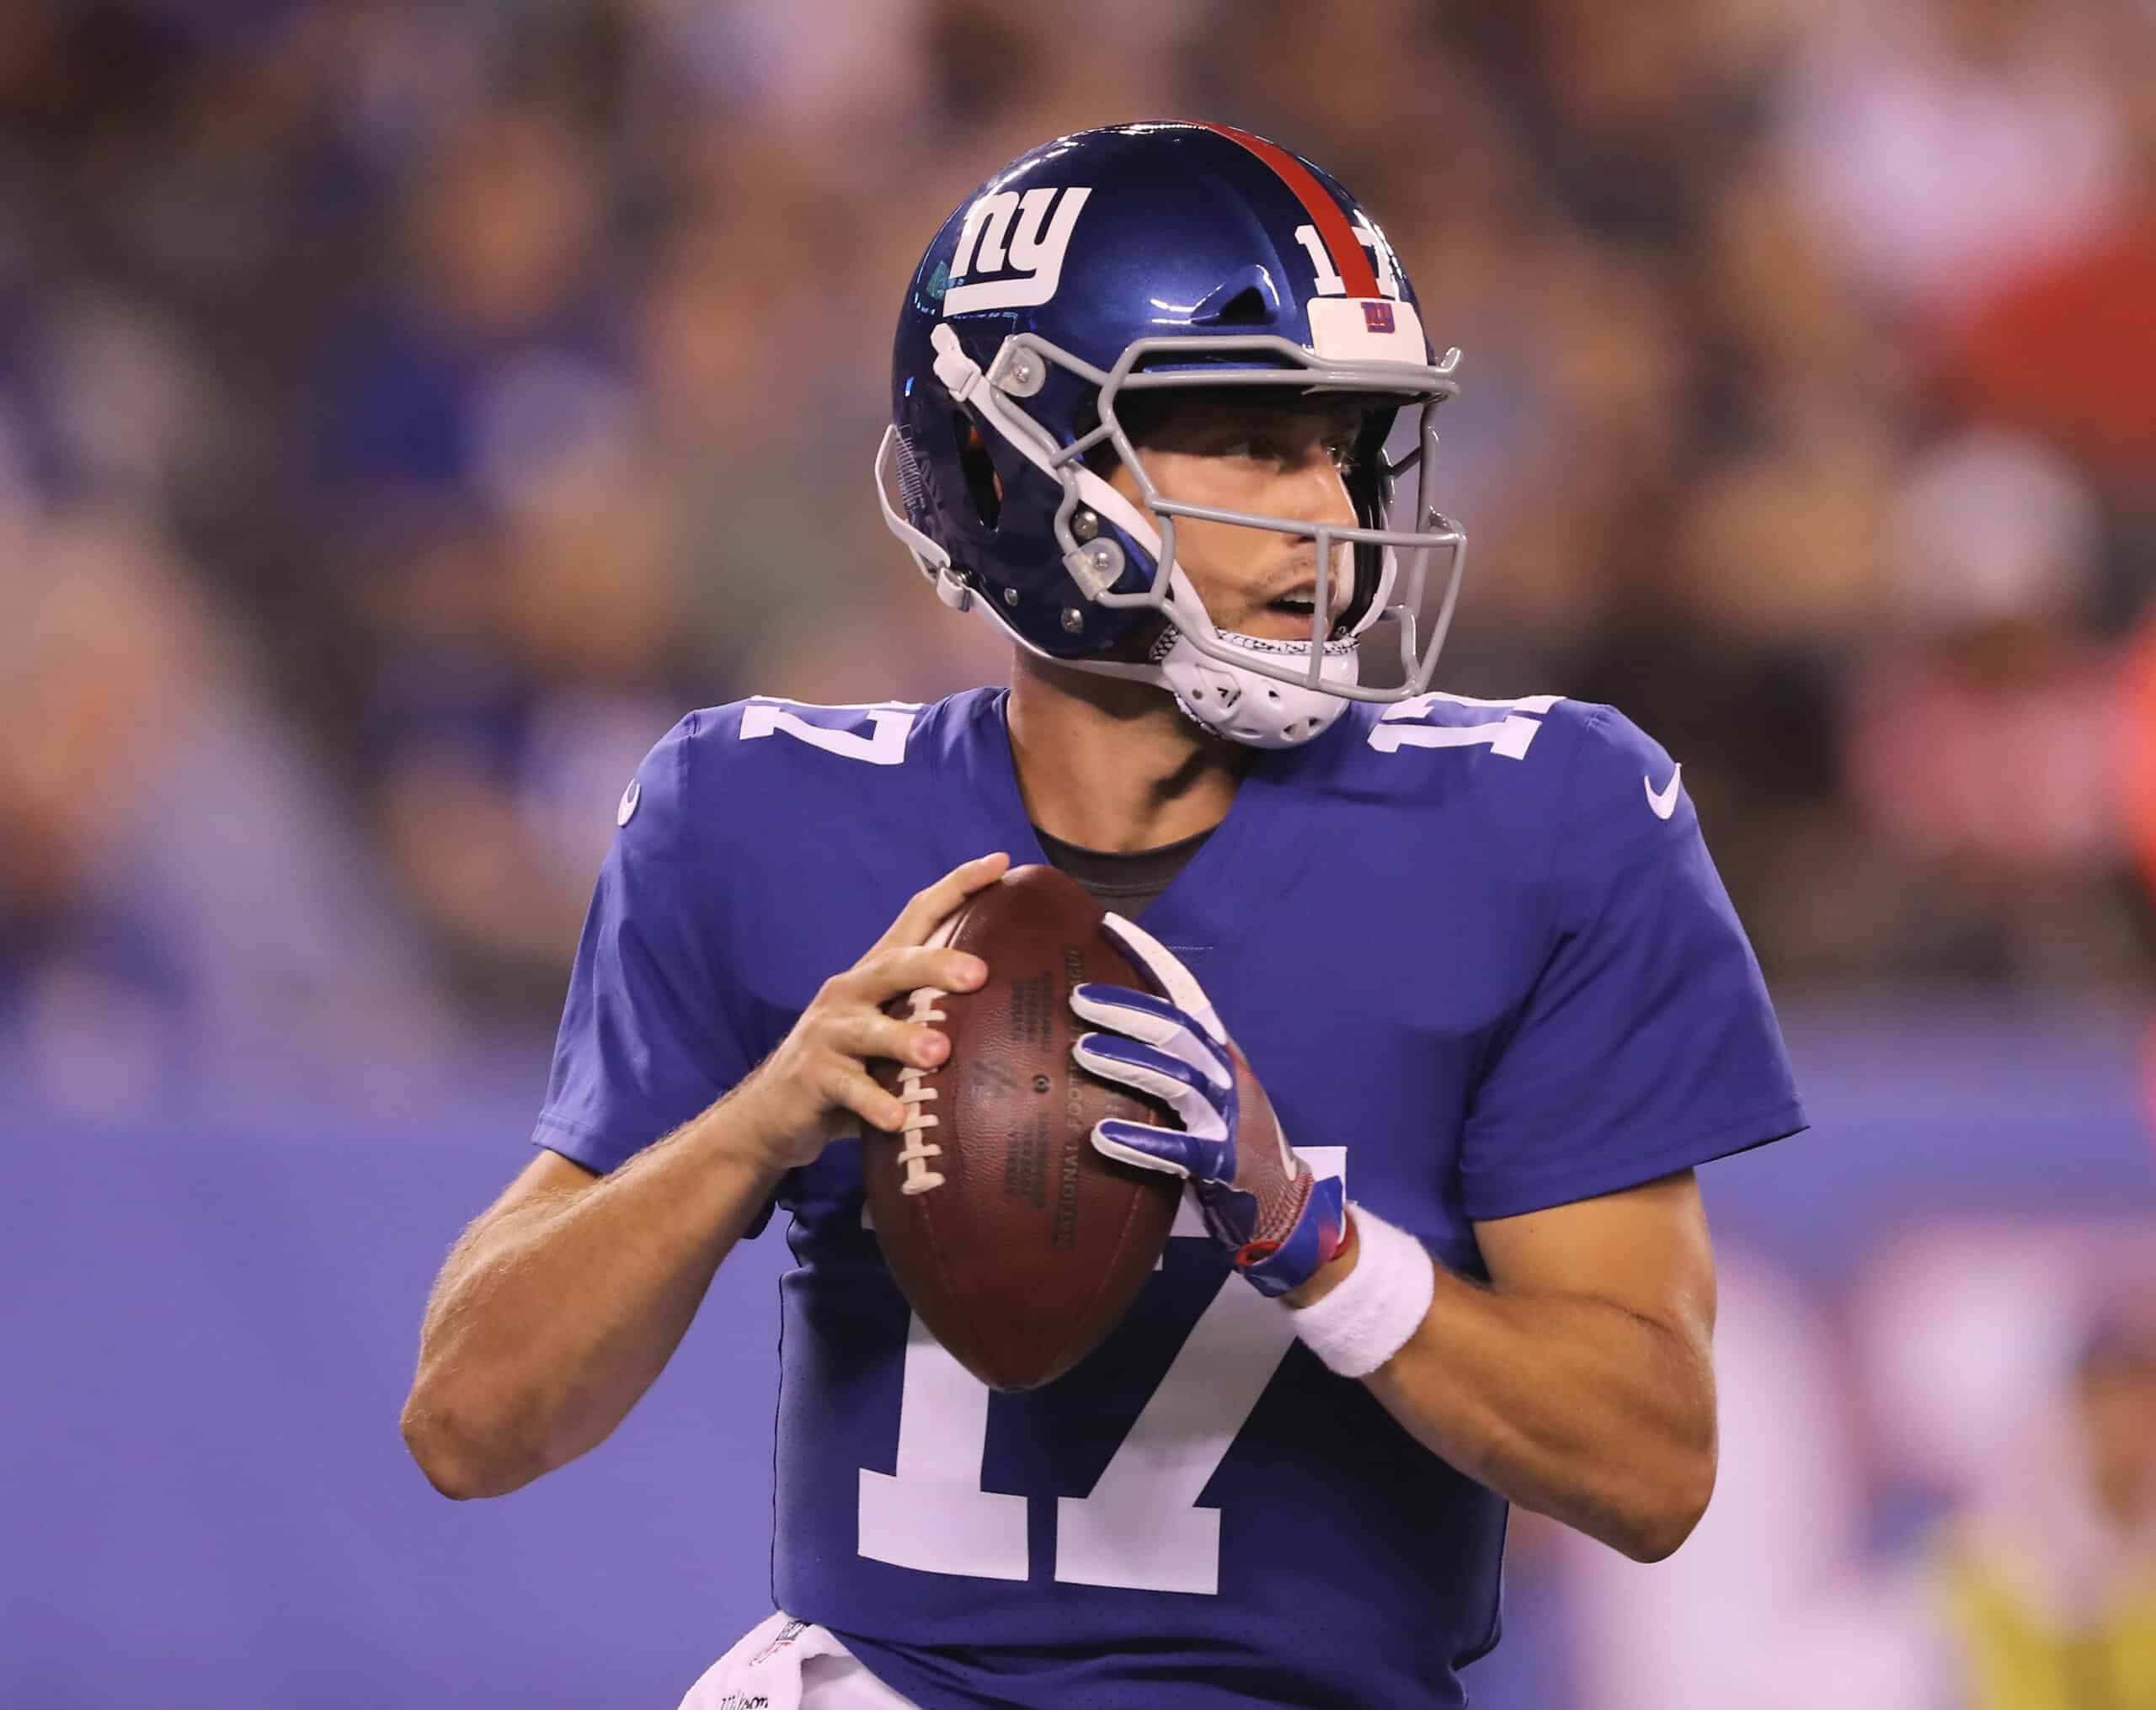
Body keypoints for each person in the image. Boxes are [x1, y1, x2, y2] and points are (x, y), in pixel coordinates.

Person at [401, 121, 1806, 1709]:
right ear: (1014, 464)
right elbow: (471, 1420)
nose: (1333, 514)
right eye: (1254, 442)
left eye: (1348, 444)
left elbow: (1653, 1464)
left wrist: (1316, 1245)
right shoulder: (758, 816)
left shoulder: (1537, 824)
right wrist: (760, 1120)